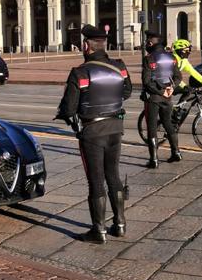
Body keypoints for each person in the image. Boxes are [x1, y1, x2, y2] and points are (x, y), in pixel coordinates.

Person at [56, 24, 132, 243]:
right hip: (115, 128)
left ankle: (98, 231)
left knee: (96, 180)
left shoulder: (80, 72)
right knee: (114, 175)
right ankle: (120, 224)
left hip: (92, 132)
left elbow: (69, 109)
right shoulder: (120, 66)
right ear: (103, 44)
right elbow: (126, 91)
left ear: (85, 46)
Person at [141, 29, 181, 169]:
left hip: (154, 98)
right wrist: (171, 88)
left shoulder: (149, 58)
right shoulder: (172, 57)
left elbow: (146, 81)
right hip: (168, 97)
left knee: (152, 128)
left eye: (147, 41)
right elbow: (178, 76)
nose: (146, 43)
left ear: (151, 42)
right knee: (168, 123)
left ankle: (154, 160)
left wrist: (161, 91)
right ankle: (176, 152)